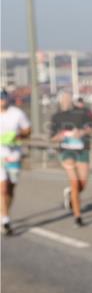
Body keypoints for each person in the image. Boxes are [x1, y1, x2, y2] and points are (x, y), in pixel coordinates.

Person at [49, 91, 92, 226]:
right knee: (75, 182)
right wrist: (60, 136)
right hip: (66, 151)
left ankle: (71, 195)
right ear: (60, 101)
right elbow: (52, 137)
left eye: (68, 99)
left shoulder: (82, 113)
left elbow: (91, 128)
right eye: (64, 99)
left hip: (82, 150)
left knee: (82, 184)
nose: (66, 101)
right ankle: (77, 216)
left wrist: (81, 132)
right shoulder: (56, 117)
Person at [0, 90, 32, 235]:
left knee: (11, 189)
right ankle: (5, 220)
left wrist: (17, 135)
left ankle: (5, 212)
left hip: (14, 155)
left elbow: (28, 130)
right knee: (3, 188)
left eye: (3, 97)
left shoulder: (17, 113)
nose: (1, 100)